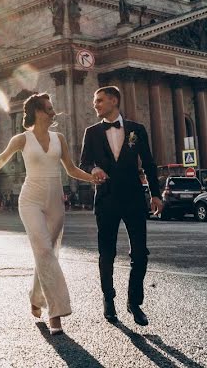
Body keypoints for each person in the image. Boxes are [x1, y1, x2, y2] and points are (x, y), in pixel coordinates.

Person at [0, 92, 100, 336]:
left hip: (55, 201)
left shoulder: (58, 138)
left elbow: (71, 169)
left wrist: (93, 179)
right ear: (38, 112)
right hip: (30, 200)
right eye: (49, 109)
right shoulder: (22, 139)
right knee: (43, 250)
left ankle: (35, 296)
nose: (53, 112)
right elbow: (1, 159)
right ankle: (56, 313)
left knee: (48, 254)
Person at [79, 86, 162, 327]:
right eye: (96, 102)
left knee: (140, 253)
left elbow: (148, 162)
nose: (96, 105)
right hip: (106, 199)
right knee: (107, 253)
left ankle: (134, 302)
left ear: (114, 100)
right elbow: (84, 162)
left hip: (134, 198)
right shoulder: (92, 132)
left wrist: (155, 195)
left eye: (99, 101)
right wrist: (93, 169)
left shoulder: (137, 130)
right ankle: (109, 299)